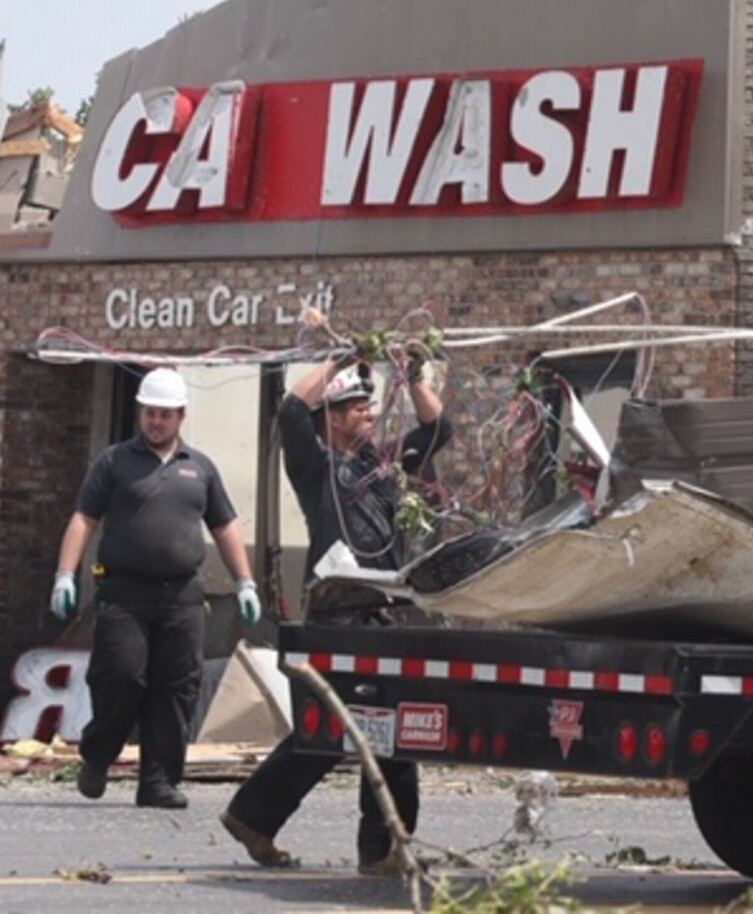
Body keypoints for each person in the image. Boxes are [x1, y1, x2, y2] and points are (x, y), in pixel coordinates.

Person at [221, 320, 452, 874]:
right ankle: (368, 846)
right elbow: (290, 412)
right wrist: (343, 356)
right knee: (341, 724)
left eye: (369, 406)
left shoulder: (383, 466)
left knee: (386, 724)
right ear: (331, 417)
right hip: (338, 609)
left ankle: (363, 842)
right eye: (354, 407)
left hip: (385, 609)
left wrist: (413, 374)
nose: (367, 414)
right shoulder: (315, 466)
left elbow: (437, 429)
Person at [50, 366, 259, 809]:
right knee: (121, 677)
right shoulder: (114, 462)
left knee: (176, 687)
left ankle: (159, 781)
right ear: (140, 413)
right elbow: (84, 518)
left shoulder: (200, 469)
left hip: (182, 595)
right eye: (149, 413)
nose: (156, 422)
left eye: (165, 414)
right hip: (124, 593)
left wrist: (245, 583)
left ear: (181, 416)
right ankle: (98, 754)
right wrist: (65, 575)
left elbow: (225, 525)